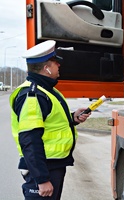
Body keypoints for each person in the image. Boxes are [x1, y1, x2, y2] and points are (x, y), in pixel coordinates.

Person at [9, 40, 91, 199]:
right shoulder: (32, 96)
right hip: (43, 169)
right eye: (55, 62)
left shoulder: (46, 90)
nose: (59, 65)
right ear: (46, 68)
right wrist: (41, 179)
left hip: (52, 166)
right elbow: (30, 140)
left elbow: (49, 122)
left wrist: (73, 118)